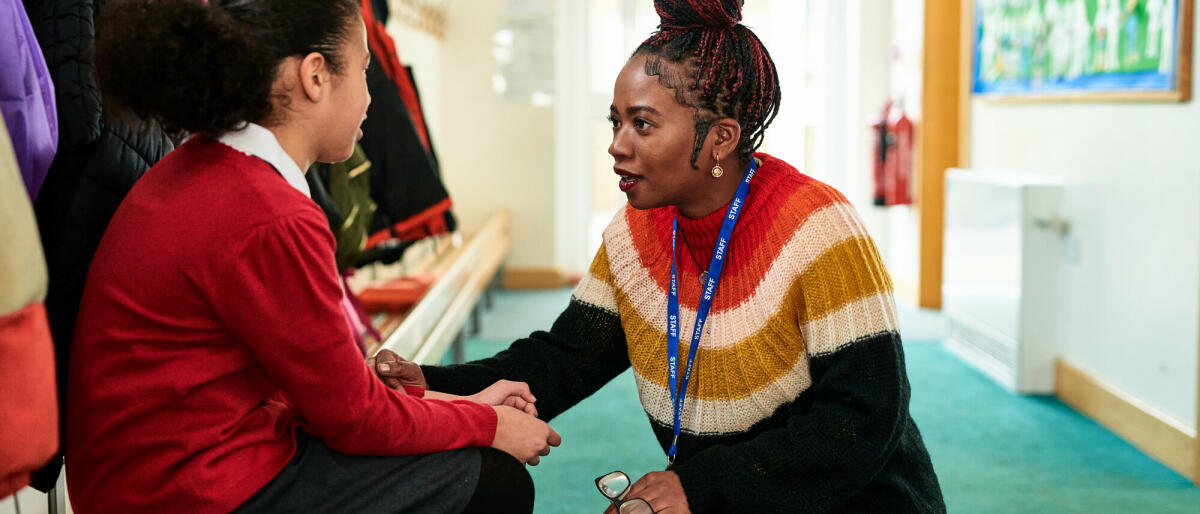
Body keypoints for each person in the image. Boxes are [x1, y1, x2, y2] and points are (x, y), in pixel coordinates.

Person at [401, 0, 946, 512]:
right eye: (615, 121)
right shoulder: (635, 234)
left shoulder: (819, 229)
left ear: (720, 139)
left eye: (642, 123)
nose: (617, 144)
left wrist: (696, 487)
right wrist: (424, 383)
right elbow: (561, 361)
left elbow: (863, 418)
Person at [65, 1, 558, 513]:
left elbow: (323, 394)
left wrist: (456, 404)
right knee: (491, 479)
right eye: (365, 70)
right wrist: (489, 424)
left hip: (150, 476)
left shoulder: (208, 167)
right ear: (316, 76)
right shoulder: (270, 214)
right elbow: (354, 420)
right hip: (184, 490)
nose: (370, 97)